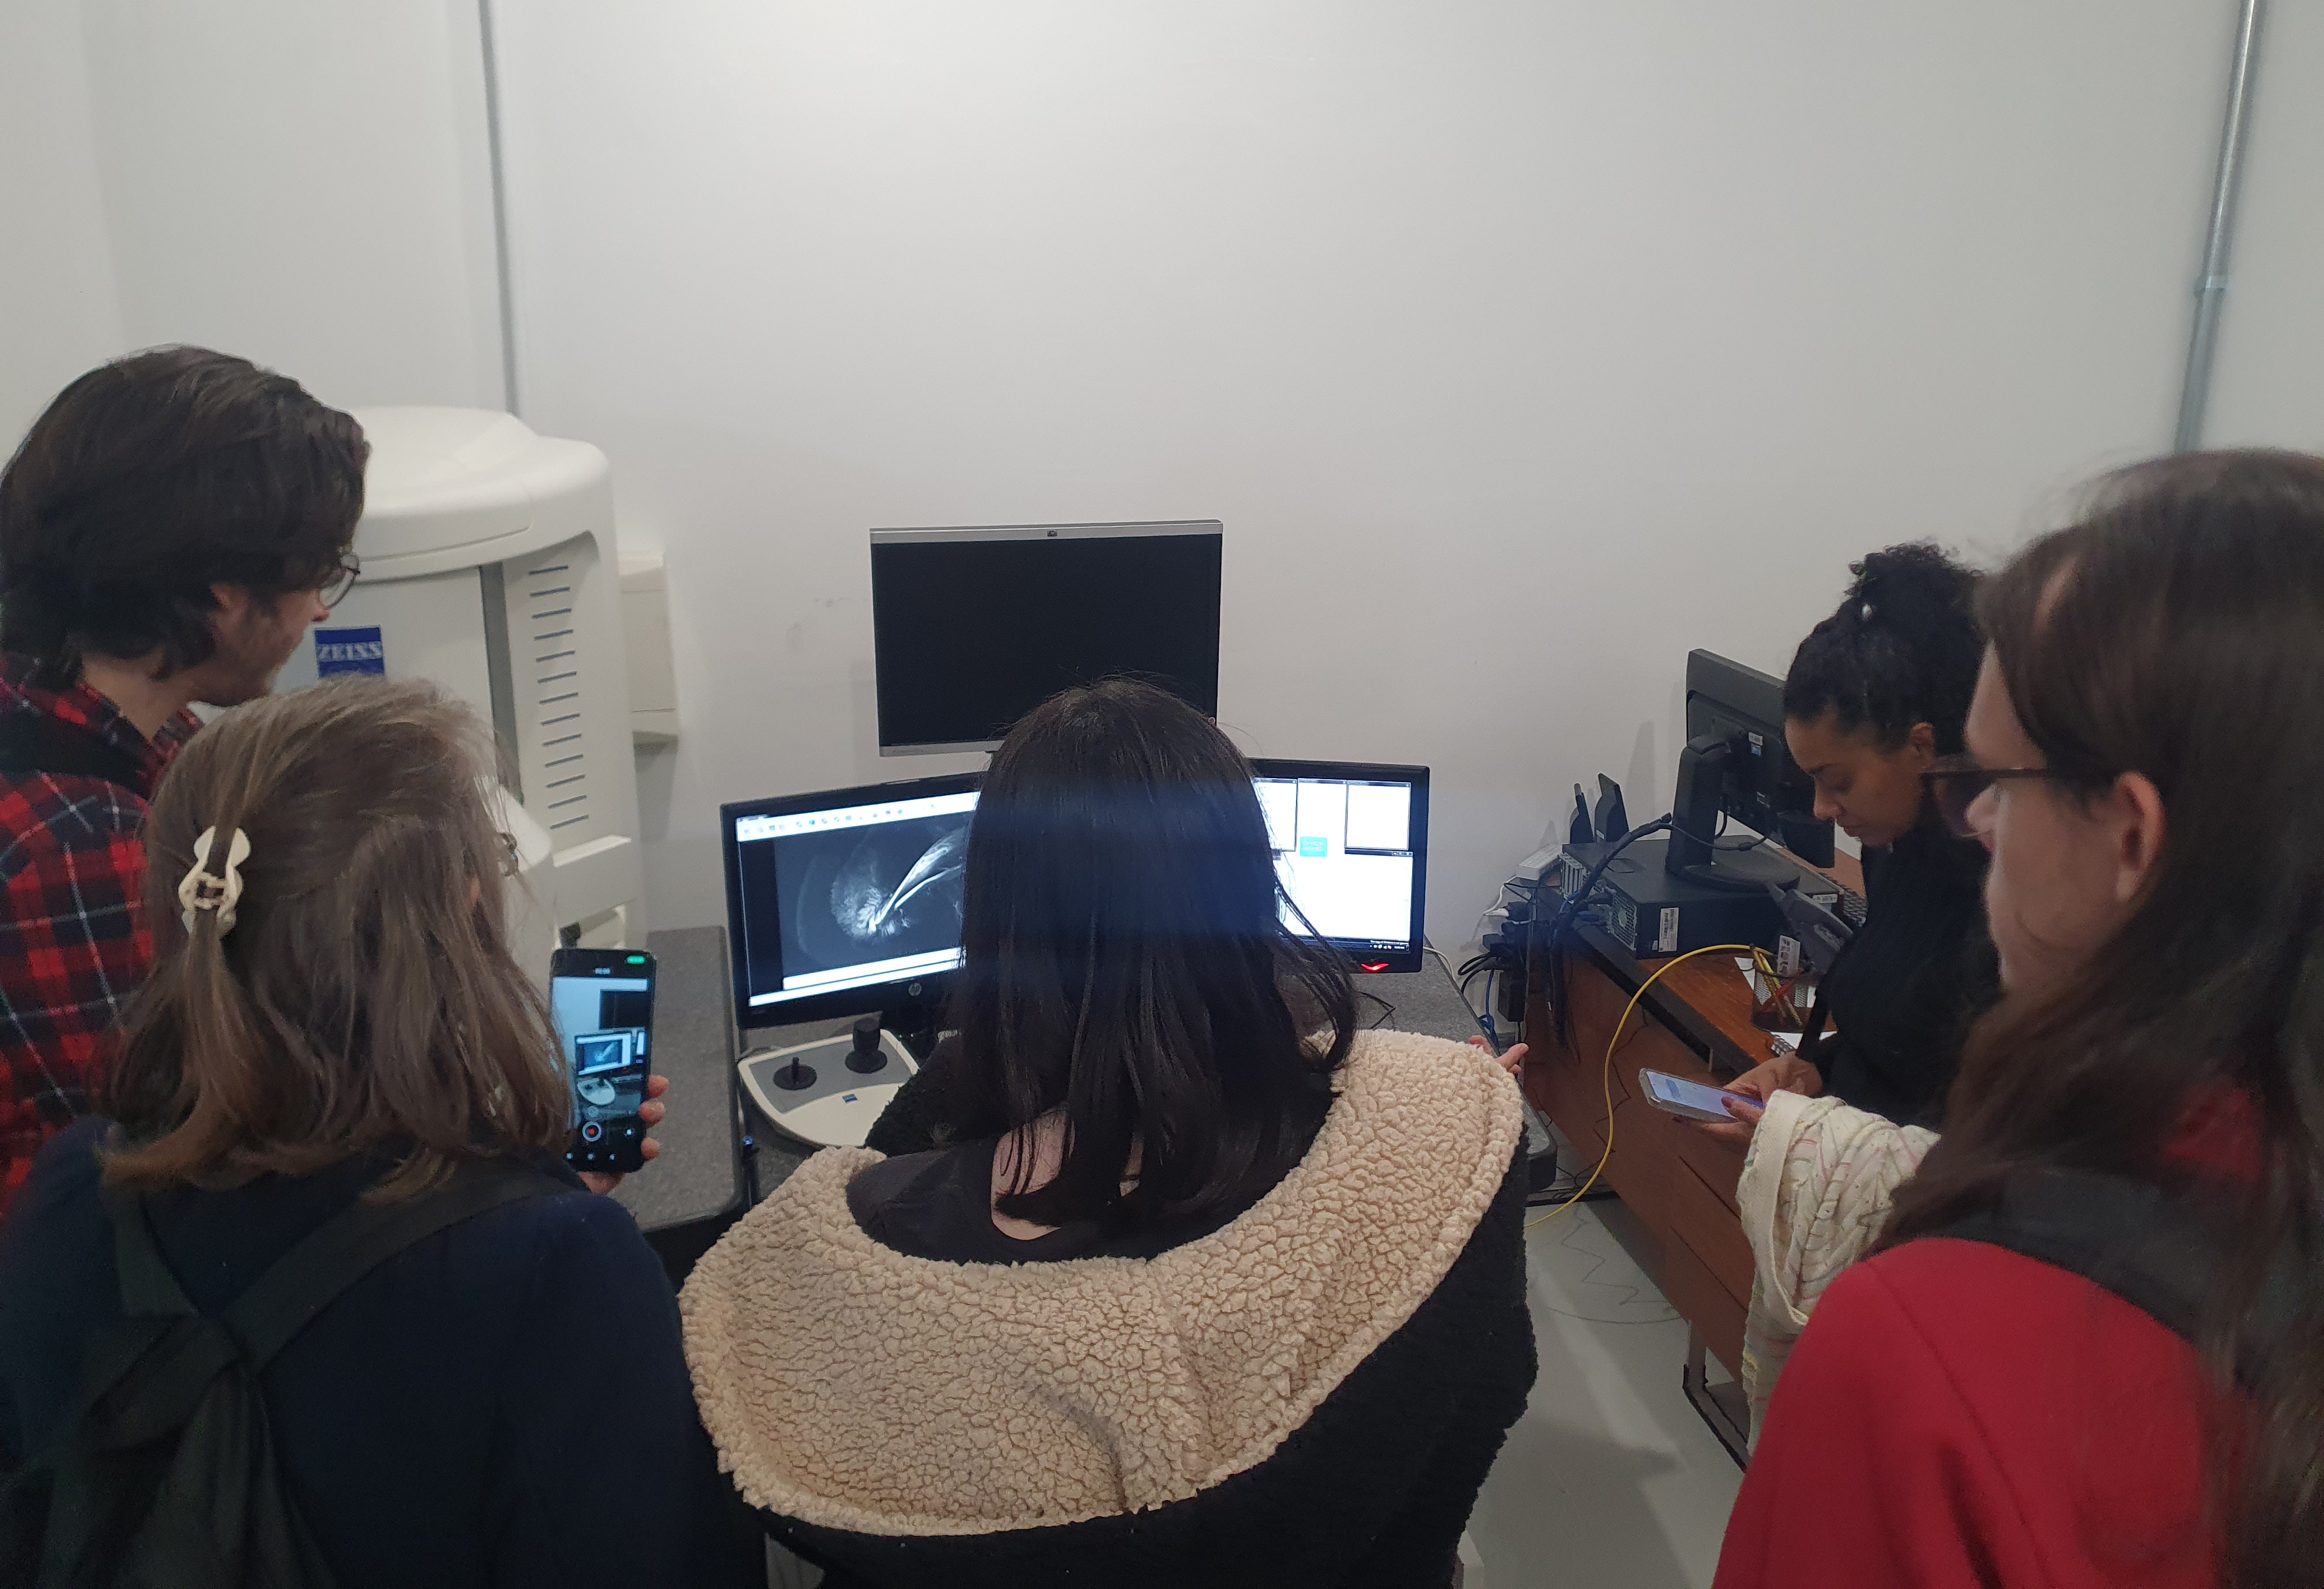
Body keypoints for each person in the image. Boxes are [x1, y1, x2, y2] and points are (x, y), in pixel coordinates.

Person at [682, 680, 1536, 1589]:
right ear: (1255, 886)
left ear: (991, 914)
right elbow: (1495, 1384)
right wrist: (1460, 1110)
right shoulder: (1451, 1127)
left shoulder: (862, 1227)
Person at [1716, 451, 2324, 1587]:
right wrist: (1814, 1079)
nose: (1977, 821)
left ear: (2130, 838)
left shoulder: (1926, 1358)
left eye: (1995, 781)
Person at [0, 678, 757, 1588]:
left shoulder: (73, 1190)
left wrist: (529, 1203)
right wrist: (539, 1214)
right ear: (461, 913)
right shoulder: (563, 1273)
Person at [0, 348, 366, 1213]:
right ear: (223, 589)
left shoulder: (104, 715)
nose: (321, 609)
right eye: (317, 574)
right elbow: (181, 1156)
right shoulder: (77, 843)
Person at [1702, 543, 1995, 1146]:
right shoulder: (1893, 849)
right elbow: (1888, 1050)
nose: (1822, 809)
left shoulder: (2003, 903)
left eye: (1837, 782)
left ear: (1920, 747)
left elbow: (1960, 1128)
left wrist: (1812, 1138)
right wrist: (1813, 1072)